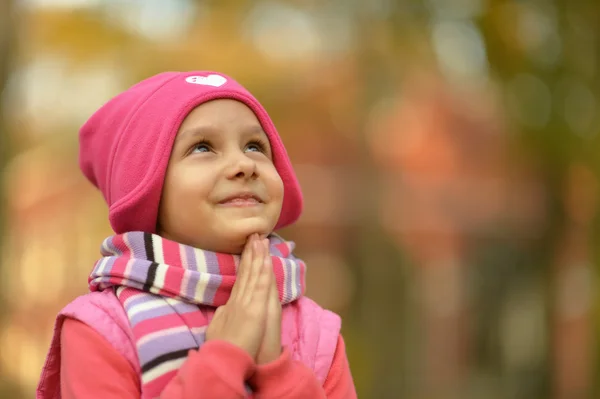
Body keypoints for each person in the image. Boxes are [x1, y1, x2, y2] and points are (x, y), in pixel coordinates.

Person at [36, 71, 357, 398]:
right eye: (203, 147)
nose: (243, 164)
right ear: (148, 191)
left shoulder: (319, 334)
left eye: (254, 145)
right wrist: (224, 360)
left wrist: (276, 370)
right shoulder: (103, 329)